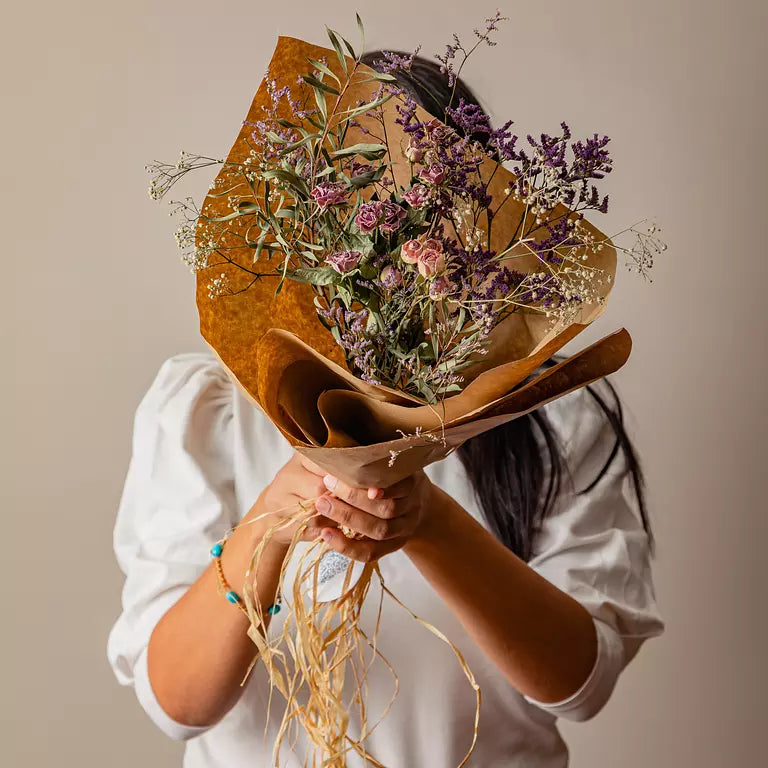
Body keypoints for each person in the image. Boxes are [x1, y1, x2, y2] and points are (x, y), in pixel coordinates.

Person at [107, 51, 664, 767]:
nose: (380, 246)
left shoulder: (548, 416)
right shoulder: (207, 410)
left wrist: (427, 520)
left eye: (415, 214)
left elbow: (579, 685)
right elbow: (175, 703)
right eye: (350, 206)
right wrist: (274, 520)